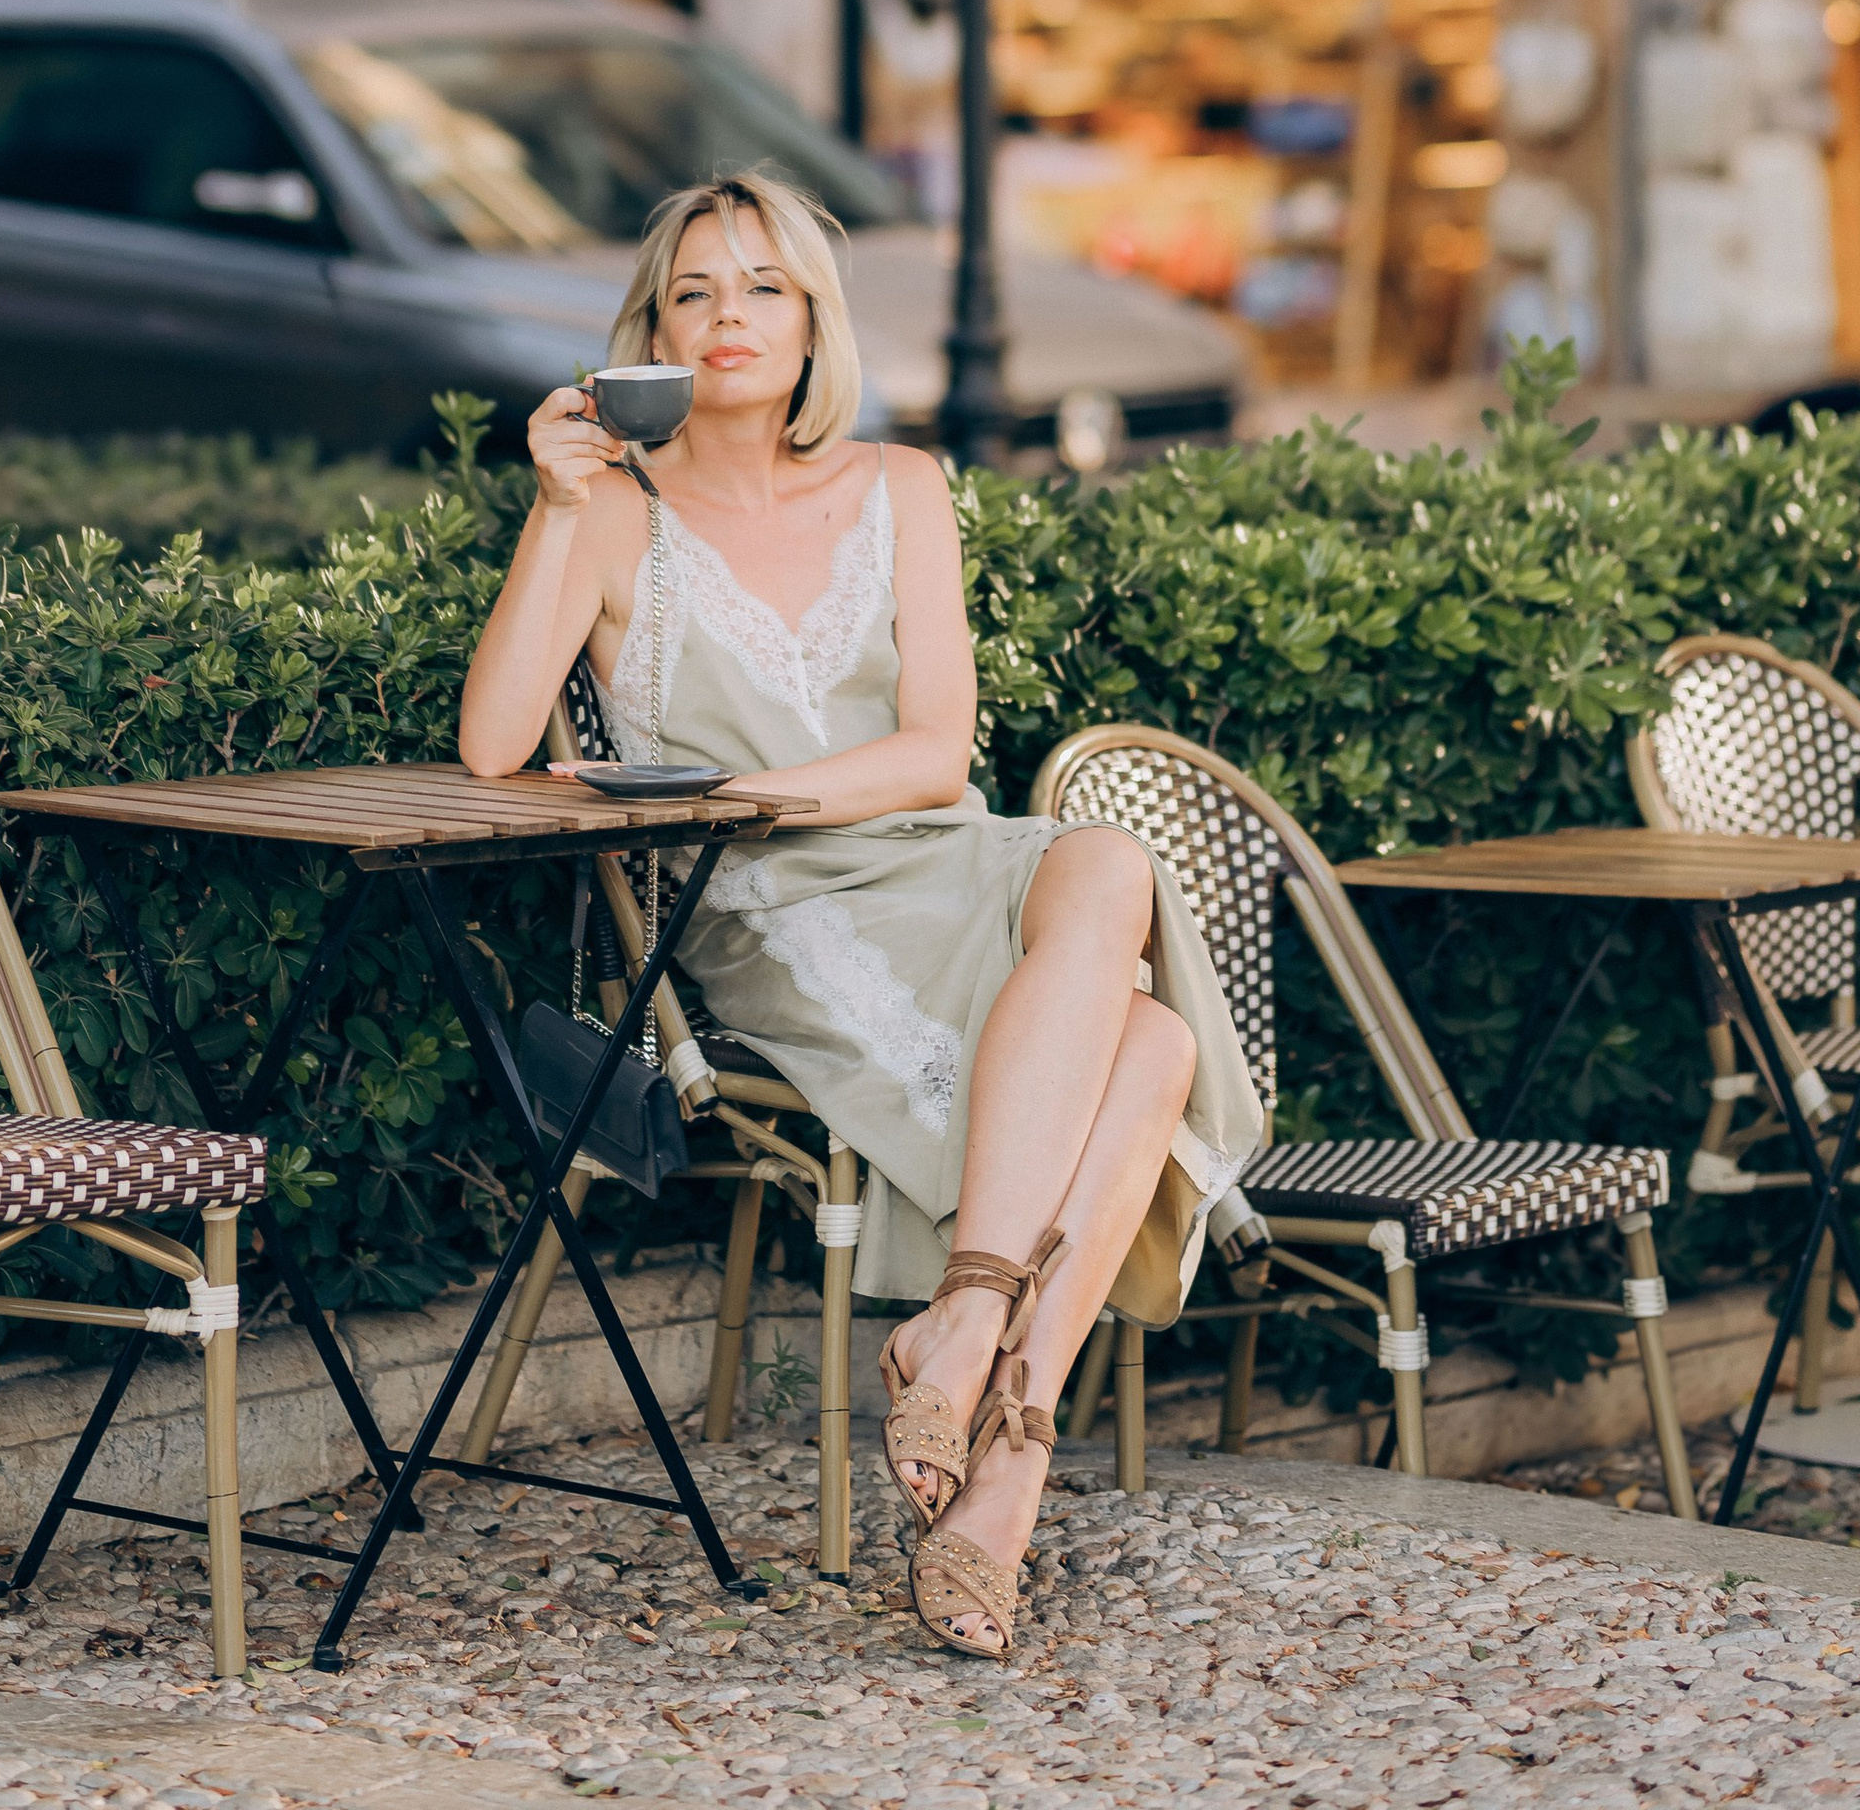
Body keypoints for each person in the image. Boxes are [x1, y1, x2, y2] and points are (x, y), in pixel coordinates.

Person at [460, 170, 1262, 1664]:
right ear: (651, 334)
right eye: (694, 292)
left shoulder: (902, 485)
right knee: (1148, 1050)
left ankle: (963, 1319)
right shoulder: (611, 512)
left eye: (763, 287)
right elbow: (497, 746)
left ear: (814, 322)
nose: (729, 317)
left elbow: (938, 756)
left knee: (1106, 864)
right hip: (768, 903)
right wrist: (556, 506)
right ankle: (1006, 1474)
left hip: (938, 854)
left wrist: (752, 788)